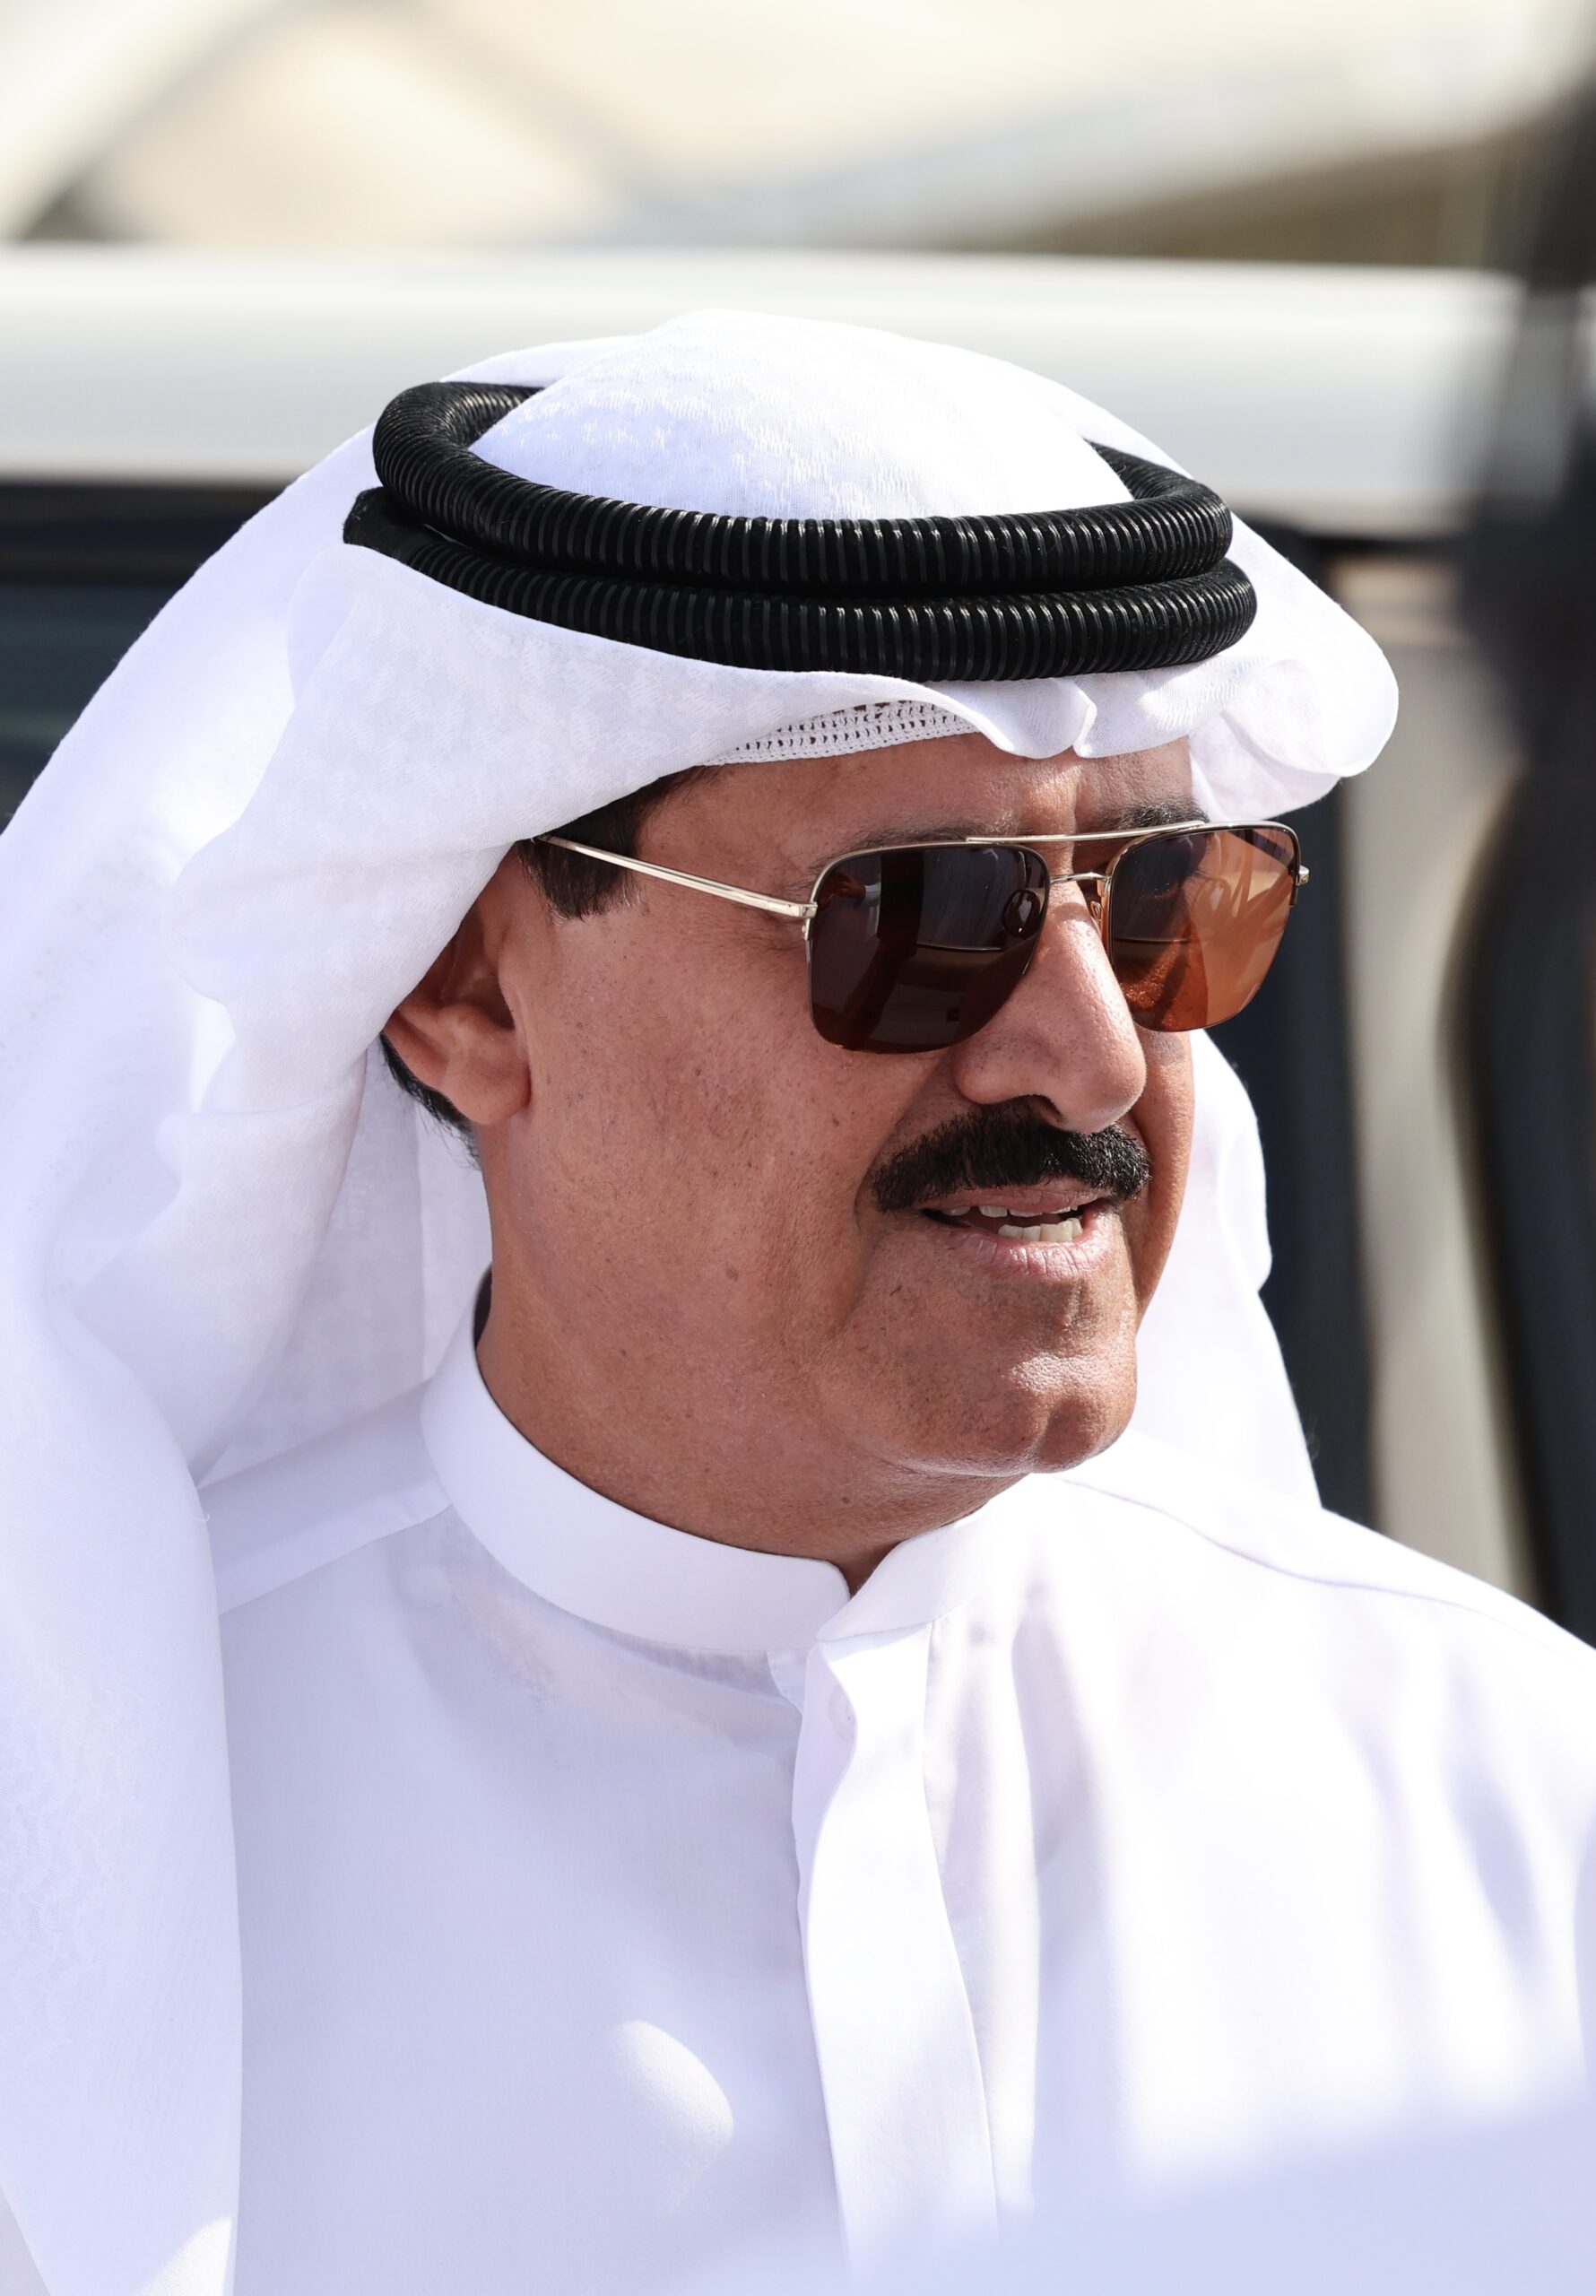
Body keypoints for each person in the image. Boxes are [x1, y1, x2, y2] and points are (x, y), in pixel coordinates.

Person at [1, 311, 1592, 2296]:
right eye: (922, 920)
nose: (1094, 1055)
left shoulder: (1512, 1797)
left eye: (1164, 904)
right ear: (470, 991)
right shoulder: (82, 1888)